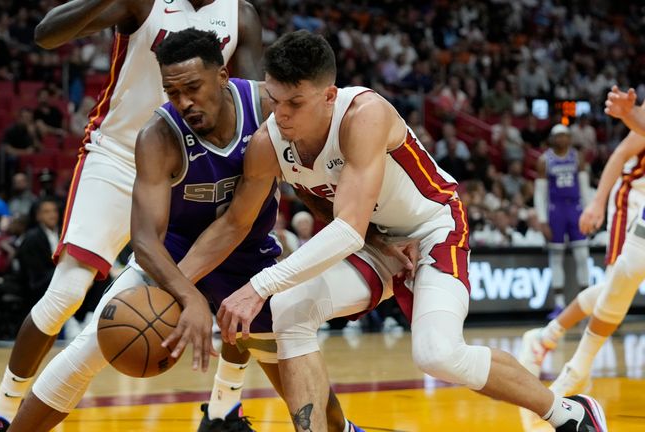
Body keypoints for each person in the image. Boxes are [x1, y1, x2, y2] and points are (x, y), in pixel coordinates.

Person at [179, 31, 606, 431]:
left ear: (329, 96)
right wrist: (176, 285)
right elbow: (236, 222)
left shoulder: (364, 114)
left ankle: (568, 413)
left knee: (437, 355)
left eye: (295, 103)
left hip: (430, 228)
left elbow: (345, 228)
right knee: (290, 309)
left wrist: (259, 285)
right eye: (274, 100)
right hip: (372, 239)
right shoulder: (268, 143)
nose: (282, 115)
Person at [7, 29, 378, 432]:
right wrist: (189, 296)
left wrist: (375, 238)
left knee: (300, 384)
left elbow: (308, 180)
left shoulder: (269, 106)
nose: (184, 101)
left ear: (222, 76)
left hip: (249, 261)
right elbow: (145, 240)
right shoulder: (158, 136)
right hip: (175, 261)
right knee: (89, 348)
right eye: (172, 91)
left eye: (193, 87)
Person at [0, 1, 267, 430]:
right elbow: (45, 35)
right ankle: (3, 412)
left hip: (192, 161)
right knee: (66, 294)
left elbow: (253, 104)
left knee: (241, 278)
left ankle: (225, 408)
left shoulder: (239, 14)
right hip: (117, 157)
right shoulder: (145, 3)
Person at [519, 95, 645, 386]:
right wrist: (597, 203)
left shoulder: (574, 158)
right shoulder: (546, 160)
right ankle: (567, 361)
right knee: (618, 289)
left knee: (613, 289)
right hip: (633, 198)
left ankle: (544, 338)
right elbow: (619, 155)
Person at [534, 124, 592, 318]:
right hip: (555, 211)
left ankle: (585, 303)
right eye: (557, 136)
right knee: (556, 257)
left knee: (582, 256)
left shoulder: (578, 157)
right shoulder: (544, 160)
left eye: (564, 136)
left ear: (569, 138)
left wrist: (589, 211)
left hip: (575, 209)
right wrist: (542, 220)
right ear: (552, 139)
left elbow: (584, 187)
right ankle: (559, 305)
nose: (561, 139)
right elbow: (540, 192)